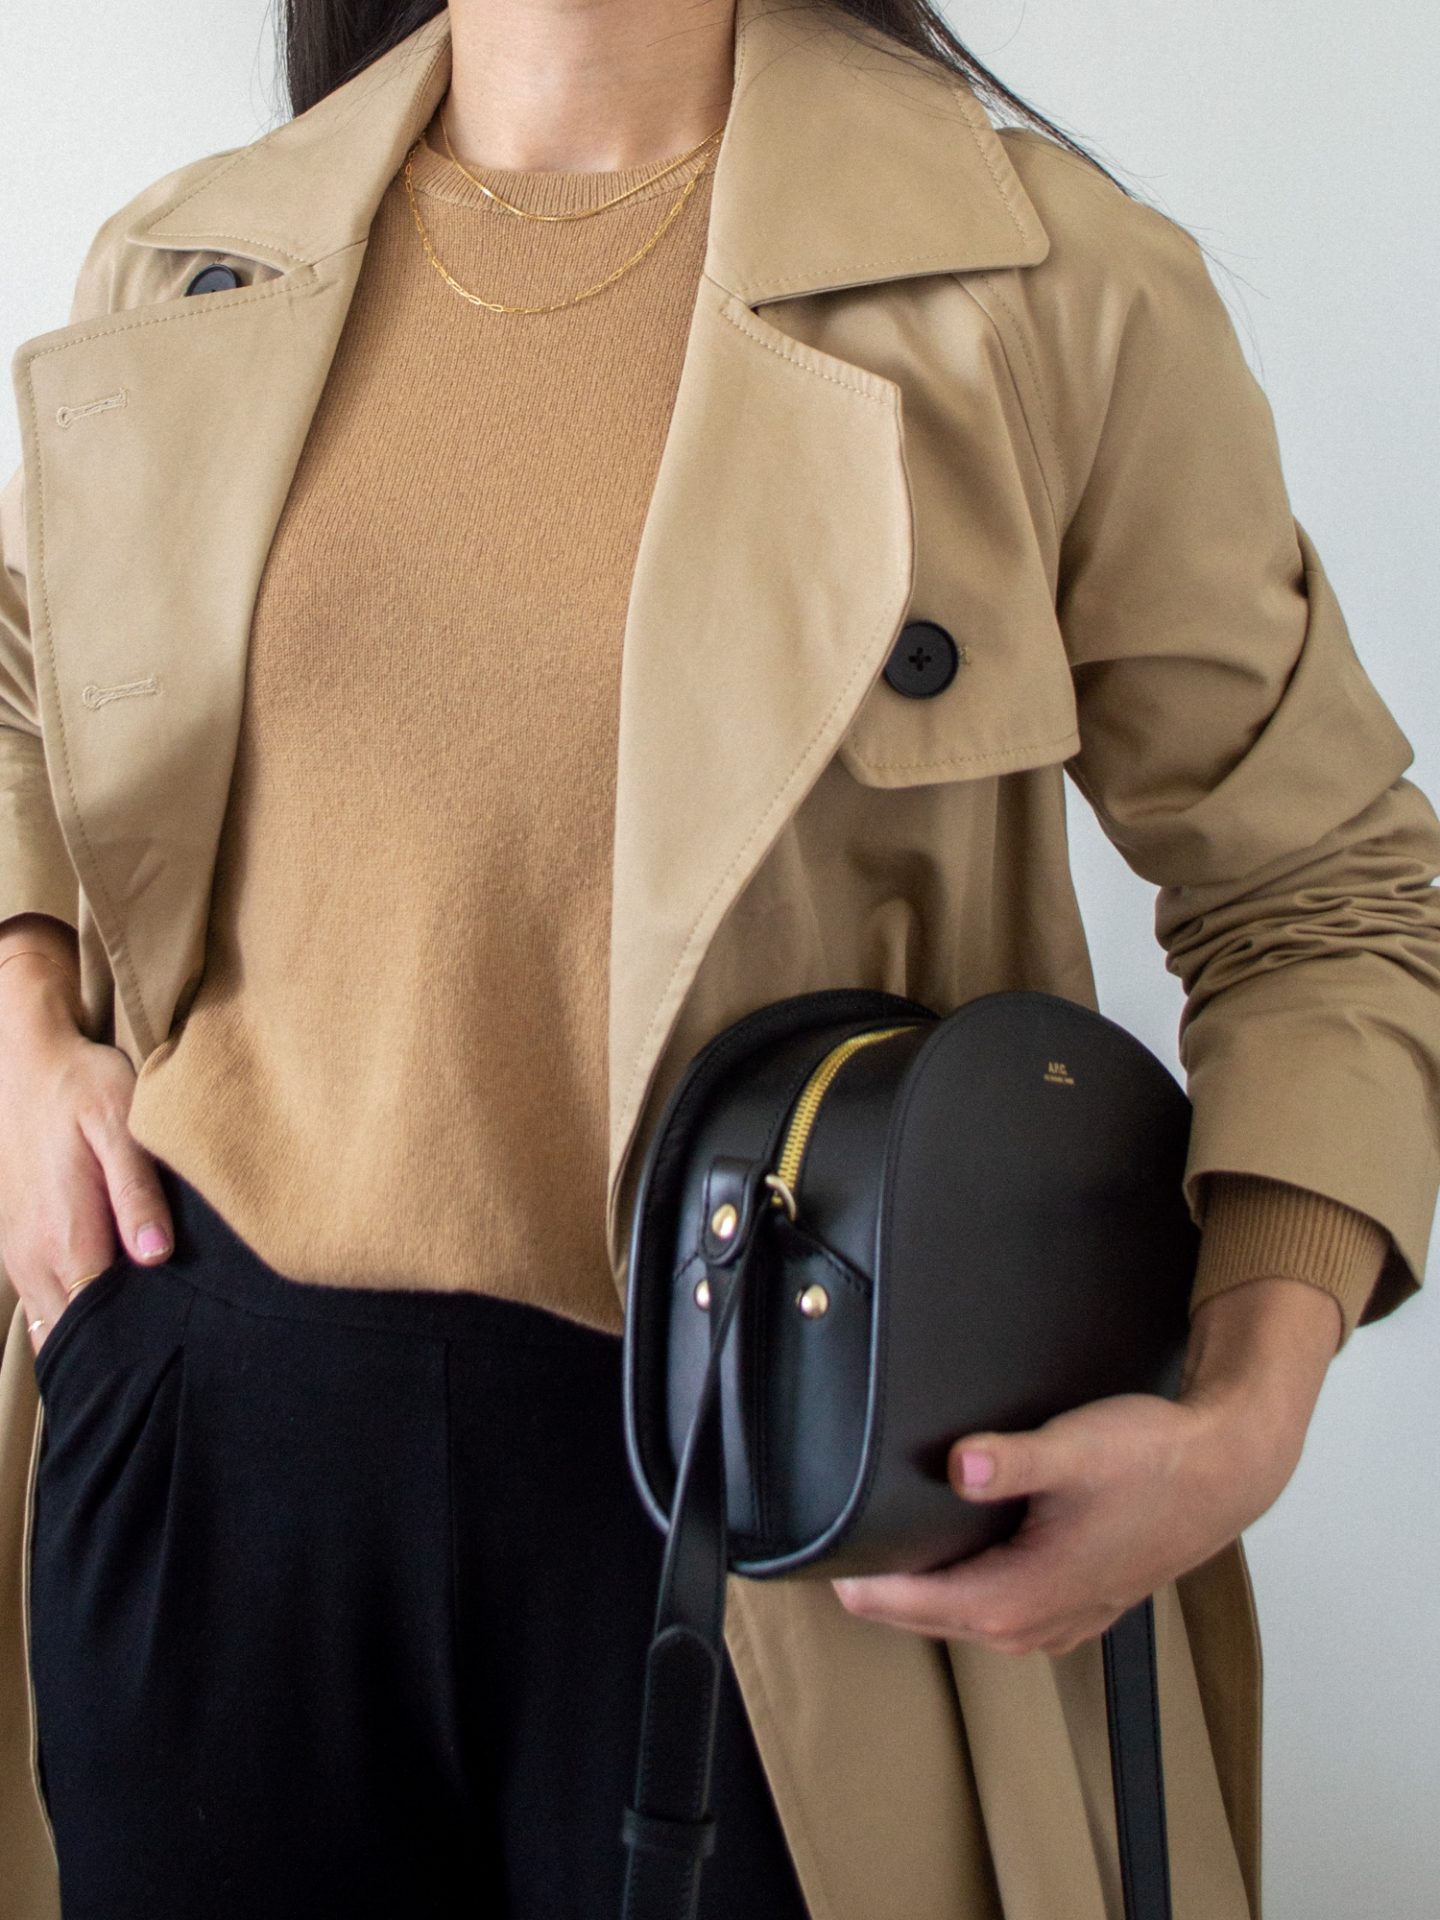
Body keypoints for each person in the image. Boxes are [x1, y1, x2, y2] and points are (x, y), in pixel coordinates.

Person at [1, 0, 1437, 1914]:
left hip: (774, 1501)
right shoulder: (191, 259)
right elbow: (30, 686)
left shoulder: (1049, 285)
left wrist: (1248, 1405)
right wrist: (24, 1023)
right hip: (209, 1453)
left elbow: (1327, 882)